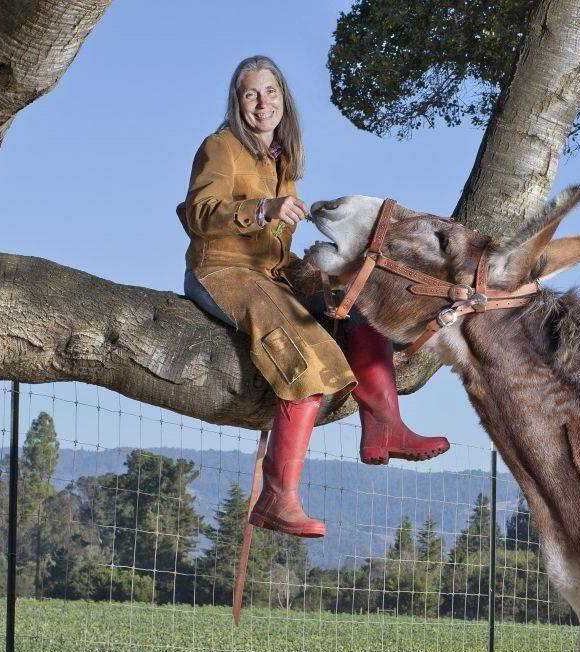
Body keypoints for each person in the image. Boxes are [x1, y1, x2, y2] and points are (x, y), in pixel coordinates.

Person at [178, 55, 448, 539]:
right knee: (306, 352)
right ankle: (277, 499)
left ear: (284, 99)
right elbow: (198, 212)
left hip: (273, 272)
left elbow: (277, 237)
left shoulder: (282, 160)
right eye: (251, 94)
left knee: (356, 297)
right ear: (237, 103)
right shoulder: (220, 147)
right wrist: (264, 209)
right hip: (223, 272)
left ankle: (384, 426)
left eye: (270, 92)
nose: (263, 103)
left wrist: (302, 248)